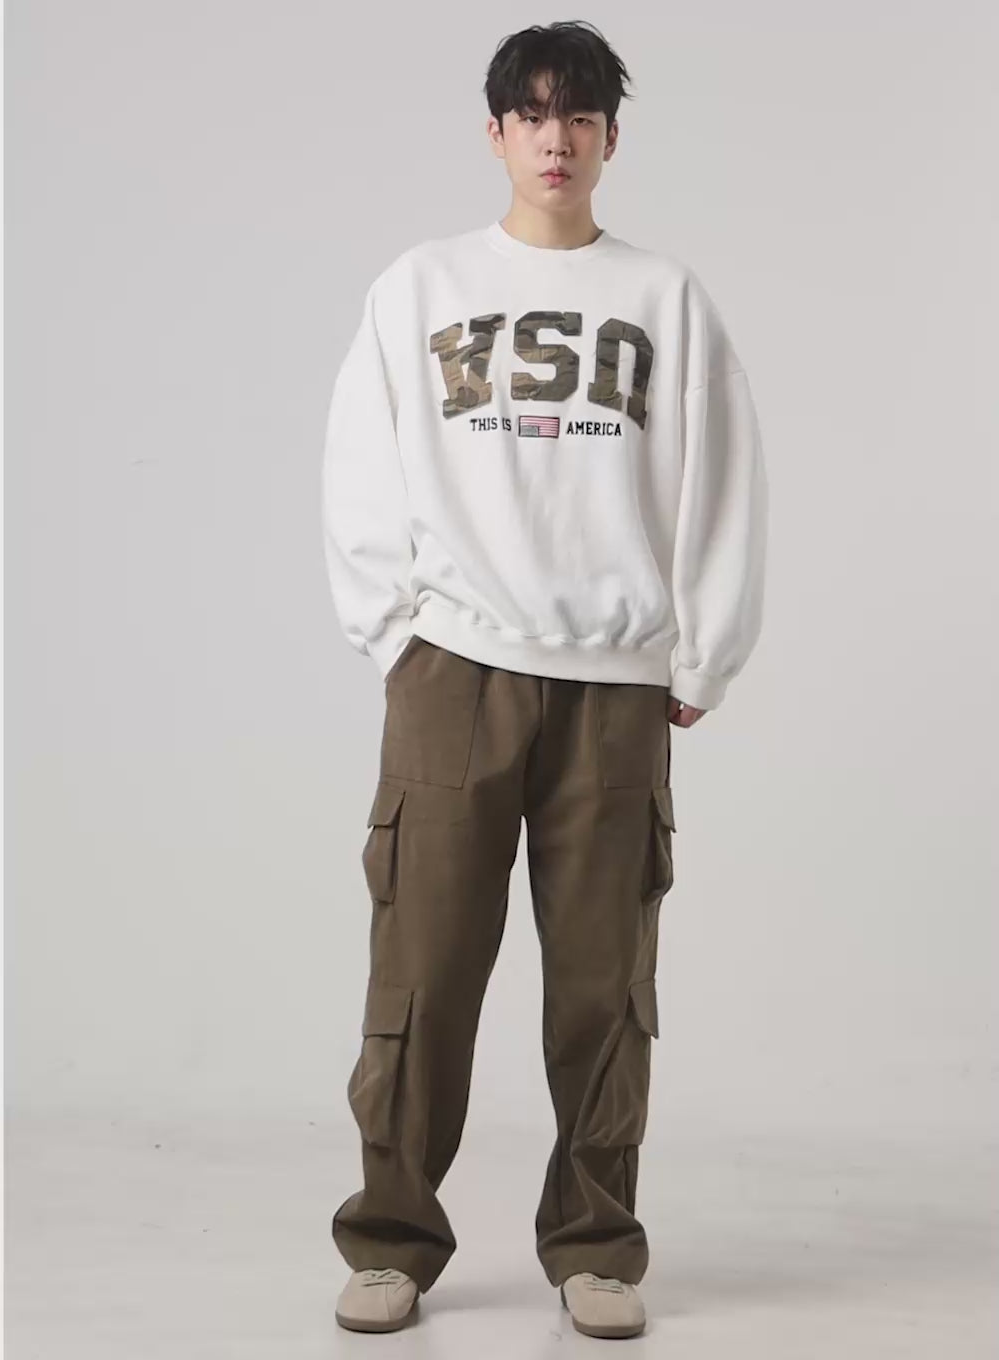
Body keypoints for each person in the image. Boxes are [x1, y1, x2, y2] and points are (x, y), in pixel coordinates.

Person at [320, 19, 768, 1341]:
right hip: (457, 672)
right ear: (497, 133)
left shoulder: (663, 298)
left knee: (602, 986)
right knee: (422, 973)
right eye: (533, 114)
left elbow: (722, 476)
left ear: (611, 138)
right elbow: (360, 463)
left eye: (580, 116)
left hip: (614, 688)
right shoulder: (422, 287)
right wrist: (395, 633)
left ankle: (595, 1244)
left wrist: (704, 648)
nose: (556, 138)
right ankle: (392, 1238)